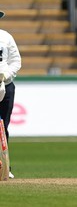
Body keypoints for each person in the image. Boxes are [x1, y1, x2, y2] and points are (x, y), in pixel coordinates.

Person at [0, 9, 22, 179]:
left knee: (2, 127)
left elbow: (16, 61)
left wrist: (5, 75)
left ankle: (4, 167)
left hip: (5, 86)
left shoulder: (6, 37)